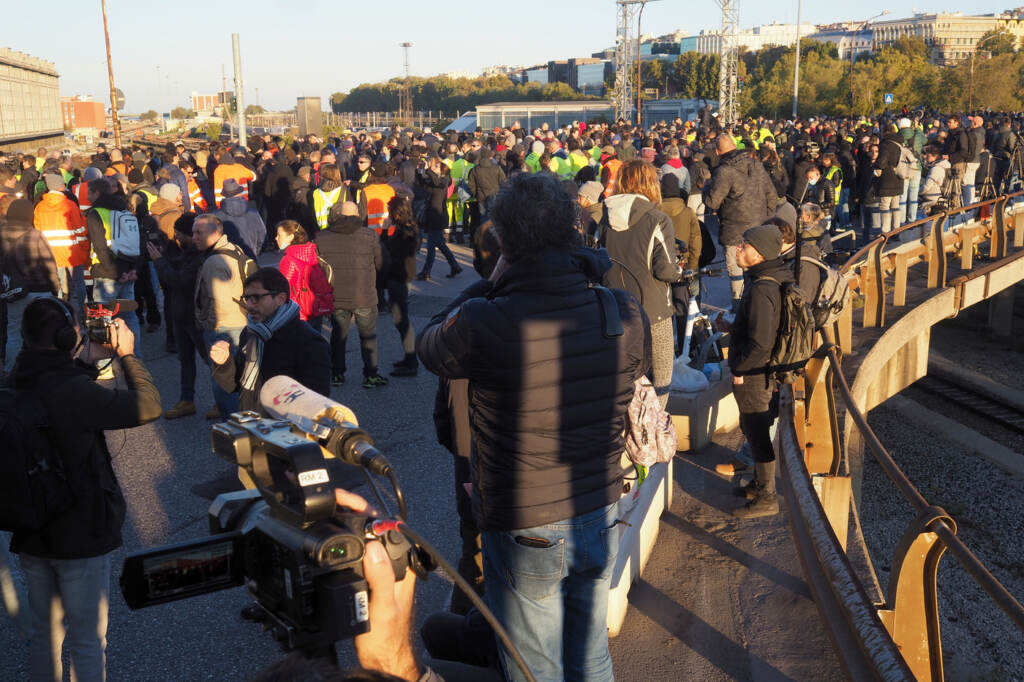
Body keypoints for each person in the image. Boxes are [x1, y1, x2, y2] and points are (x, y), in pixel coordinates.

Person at [417, 172, 651, 682]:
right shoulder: (620, 310)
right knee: (590, 657)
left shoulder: (485, 316)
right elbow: (636, 370)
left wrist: (496, 280)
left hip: (526, 519)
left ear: (503, 240)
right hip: (599, 504)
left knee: (533, 667)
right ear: (572, 232)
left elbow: (429, 346)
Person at [10, 296, 161, 682]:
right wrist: (127, 356)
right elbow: (147, 405)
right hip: (80, 532)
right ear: (65, 336)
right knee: (87, 640)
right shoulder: (75, 393)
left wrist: (83, 363)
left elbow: (55, 389)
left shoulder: (14, 383)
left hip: (31, 532)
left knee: (45, 636)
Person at [722, 223, 792, 519]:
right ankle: (759, 485)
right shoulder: (768, 277)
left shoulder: (763, 287)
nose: (738, 248)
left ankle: (767, 498)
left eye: (745, 245)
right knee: (755, 429)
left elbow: (761, 344)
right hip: (759, 371)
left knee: (758, 431)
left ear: (760, 253)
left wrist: (739, 367)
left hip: (754, 373)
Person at [600, 160, 680, 406]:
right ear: (650, 184)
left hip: (612, 310)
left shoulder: (604, 218)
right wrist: (679, 269)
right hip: (653, 311)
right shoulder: (658, 219)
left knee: (618, 379)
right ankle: (654, 437)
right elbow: (665, 269)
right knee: (661, 381)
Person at [210, 267, 330, 417]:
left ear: (280, 299)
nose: (249, 305)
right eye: (247, 298)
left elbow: (316, 403)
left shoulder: (308, 342)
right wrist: (224, 364)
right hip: (251, 424)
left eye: (256, 298)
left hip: (285, 433)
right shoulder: (250, 333)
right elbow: (234, 385)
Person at [317, 201, 388, 388]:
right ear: (357, 215)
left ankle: (337, 374)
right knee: (368, 336)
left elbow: (318, 268)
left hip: (336, 295)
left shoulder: (321, 236)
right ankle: (371, 375)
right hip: (364, 294)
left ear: (338, 214)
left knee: (338, 336)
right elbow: (381, 264)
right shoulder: (370, 235)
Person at [703, 133, 776, 308]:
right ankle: (758, 307)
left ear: (718, 152)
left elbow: (712, 201)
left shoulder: (724, 171)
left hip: (734, 232)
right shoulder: (756, 165)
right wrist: (767, 219)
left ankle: (738, 310)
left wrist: (706, 186)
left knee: (737, 276)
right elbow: (772, 195)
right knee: (758, 273)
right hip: (759, 229)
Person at [149, 213, 208, 419]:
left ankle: (224, 399)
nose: (177, 238)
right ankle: (187, 400)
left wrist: (159, 262)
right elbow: (177, 267)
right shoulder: (187, 252)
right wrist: (165, 255)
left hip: (194, 316)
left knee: (211, 360)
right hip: (180, 314)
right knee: (186, 360)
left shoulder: (201, 255)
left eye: (180, 234)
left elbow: (179, 279)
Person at [192, 214, 248, 419]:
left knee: (224, 381)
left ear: (216, 233)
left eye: (199, 233)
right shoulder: (234, 248)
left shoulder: (214, 261)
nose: (194, 237)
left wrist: (210, 326)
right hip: (240, 321)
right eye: (193, 232)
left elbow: (221, 303)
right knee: (239, 376)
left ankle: (234, 428)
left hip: (224, 327)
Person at [84, 177, 142, 340]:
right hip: (128, 271)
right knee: (129, 318)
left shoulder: (96, 213)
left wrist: (114, 272)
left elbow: (100, 247)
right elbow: (135, 242)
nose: (88, 197)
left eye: (89, 193)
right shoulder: (124, 209)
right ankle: (133, 357)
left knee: (103, 320)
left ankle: (106, 363)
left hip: (107, 273)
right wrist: (132, 270)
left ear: (97, 192)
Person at [32, 174, 88, 320]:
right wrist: (84, 250)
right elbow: (80, 231)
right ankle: (79, 319)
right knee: (76, 289)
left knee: (56, 290)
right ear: (61, 186)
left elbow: (37, 232)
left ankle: (59, 319)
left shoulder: (39, 207)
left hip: (50, 256)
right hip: (72, 255)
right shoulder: (69, 205)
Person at [275, 219, 333, 336]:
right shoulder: (310, 252)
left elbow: (284, 289)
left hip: (298, 314)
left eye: (279, 235)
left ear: (291, 237)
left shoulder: (289, 259)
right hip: (314, 308)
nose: (276, 238)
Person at [384, 196, 419, 376]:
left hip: (398, 277)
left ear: (396, 213)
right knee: (401, 320)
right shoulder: (406, 228)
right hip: (399, 277)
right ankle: (409, 356)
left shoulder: (404, 232)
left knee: (401, 320)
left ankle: (411, 361)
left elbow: (397, 254)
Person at [416, 156, 461, 280]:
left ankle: (426, 272)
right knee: (441, 244)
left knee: (431, 247)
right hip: (432, 217)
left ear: (442, 171)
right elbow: (423, 184)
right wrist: (420, 171)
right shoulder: (435, 181)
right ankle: (455, 266)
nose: (433, 167)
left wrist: (429, 171)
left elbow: (435, 182)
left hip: (438, 217)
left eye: (436, 166)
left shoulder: (444, 180)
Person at [214, 178, 266, 260]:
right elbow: (262, 234)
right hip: (250, 256)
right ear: (239, 192)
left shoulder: (216, 216)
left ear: (225, 194)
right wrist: (256, 251)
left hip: (227, 259)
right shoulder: (253, 212)